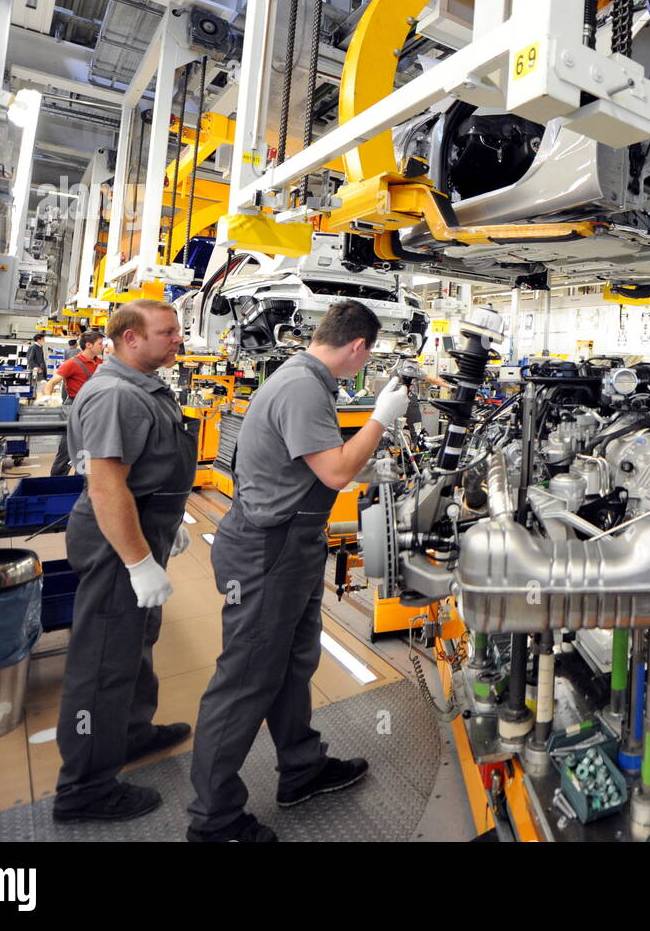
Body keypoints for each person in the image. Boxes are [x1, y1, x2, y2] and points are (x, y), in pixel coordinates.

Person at [186, 300, 410, 843]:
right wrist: (382, 416)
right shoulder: (303, 386)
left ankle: (302, 769)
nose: (367, 364)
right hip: (269, 550)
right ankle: (212, 820)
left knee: (290, 664)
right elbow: (333, 471)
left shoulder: (307, 379)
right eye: (369, 354)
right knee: (246, 679)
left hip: (292, 542)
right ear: (357, 346)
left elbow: (311, 465)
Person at [52, 300, 197, 824]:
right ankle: (84, 788)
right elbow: (107, 485)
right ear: (130, 338)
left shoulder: (141, 386)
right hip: (118, 544)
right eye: (167, 332)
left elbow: (142, 472)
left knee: (137, 640)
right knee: (103, 662)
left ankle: (131, 734)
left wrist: (167, 520)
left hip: (141, 527)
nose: (177, 339)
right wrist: (138, 561)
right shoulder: (114, 393)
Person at [42, 330, 104, 476]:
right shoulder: (71, 363)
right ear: (89, 345)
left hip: (94, 408)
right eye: (100, 344)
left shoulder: (101, 363)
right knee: (67, 449)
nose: (103, 347)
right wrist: (48, 400)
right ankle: (55, 485)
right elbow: (51, 383)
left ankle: (79, 483)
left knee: (87, 449)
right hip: (75, 407)